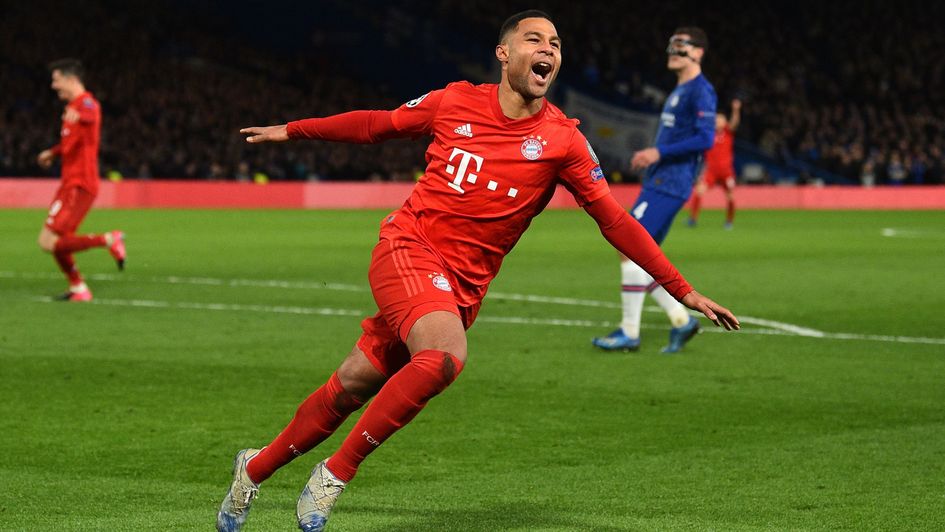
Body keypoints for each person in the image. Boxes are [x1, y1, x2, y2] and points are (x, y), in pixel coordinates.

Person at [217, 12, 738, 532]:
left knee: (354, 384)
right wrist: (294, 129)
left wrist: (682, 290)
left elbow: (615, 221)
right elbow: (377, 125)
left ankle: (253, 469)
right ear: (504, 53)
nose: (548, 50)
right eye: (534, 39)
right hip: (408, 247)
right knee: (444, 356)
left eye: (555, 43)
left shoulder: (563, 141)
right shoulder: (455, 101)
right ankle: (334, 474)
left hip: (463, 288)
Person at [592, 27, 717, 354]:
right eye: (671, 45)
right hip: (661, 180)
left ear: (699, 52)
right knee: (641, 257)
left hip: (671, 182)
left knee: (628, 245)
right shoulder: (680, 90)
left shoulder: (700, 91)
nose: (673, 51)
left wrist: (659, 153)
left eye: (682, 45)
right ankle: (680, 320)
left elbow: (706, 139)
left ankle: (630, 332)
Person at [37, 59, 125, 301]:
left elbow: (91, 113)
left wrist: (79, 114)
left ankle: (109, 239)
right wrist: (52, 153)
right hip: (69, 183)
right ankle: (78, 288)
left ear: (71, 79)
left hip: (80, 183)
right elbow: (70, 142)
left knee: (49, 241)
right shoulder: (72, 108)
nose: (54, 86)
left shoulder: (86, 103)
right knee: (56, 241)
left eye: (56, 80)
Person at [688, 99, 741, 229]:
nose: (718, 121)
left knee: (730, 197)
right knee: (698, 192)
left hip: (726, 171)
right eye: (716, 119)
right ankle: (693, 219)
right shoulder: (708, 134)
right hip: (711, 170)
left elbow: (734, 123)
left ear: (724, 122)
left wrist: (736, 110)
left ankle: (729, 221)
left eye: (721, 119)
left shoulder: (728, 133)